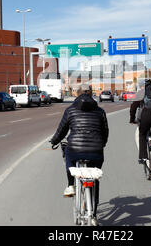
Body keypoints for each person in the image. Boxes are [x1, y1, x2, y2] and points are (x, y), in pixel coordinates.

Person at [50, 84, 109, 219]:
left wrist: (54, 141)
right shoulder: (100, 111)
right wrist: (101, 144)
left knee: (68, 156)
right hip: (96, 151)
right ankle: (93, 213)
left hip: (75, 149)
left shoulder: (70, 110)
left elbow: (62, 129)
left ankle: (71, 185)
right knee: (94, 178)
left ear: (77, 94)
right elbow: (105, 131)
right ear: (91, 94)